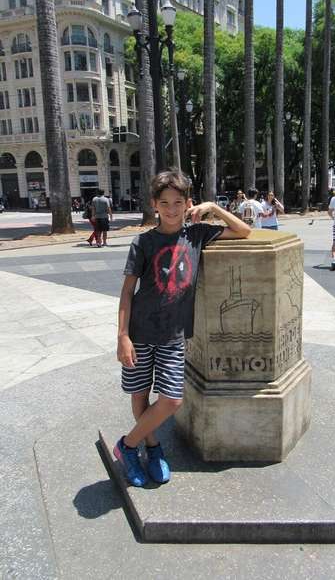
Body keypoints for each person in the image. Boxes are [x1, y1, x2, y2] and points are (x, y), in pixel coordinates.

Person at [114, 169, 250, 487]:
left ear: (188, 203)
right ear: (154, 205)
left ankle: (127, 446)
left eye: (178, 202)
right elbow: (126, 292)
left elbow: (244, 231)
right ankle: (152, 447)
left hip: (174, 335)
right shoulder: (143, 242)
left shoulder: (197, 235)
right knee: (139, 395)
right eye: (165, 203)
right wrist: (122, 336)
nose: (172, 209)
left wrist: (214, 209)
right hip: (139, 333)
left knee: (172, 399)